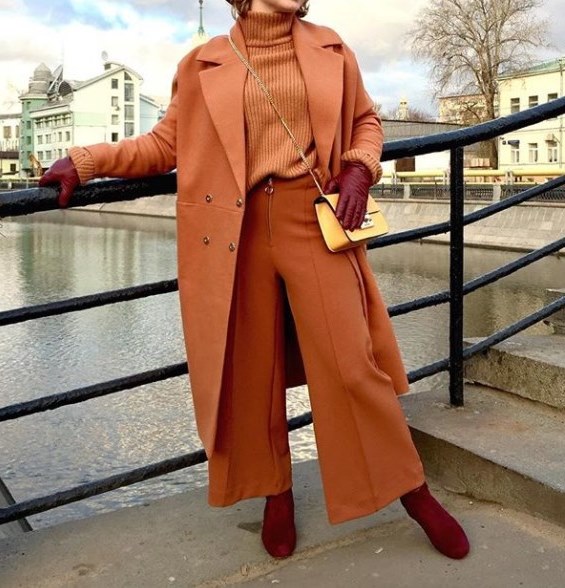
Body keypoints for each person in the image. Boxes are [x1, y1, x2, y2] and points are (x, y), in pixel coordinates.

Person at [40, 0, 470, 561]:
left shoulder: (331, 46)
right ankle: (276, 493)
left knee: (351, 362)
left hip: (312, 217)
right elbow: (165, 145)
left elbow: (367, 120)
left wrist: (359, 168)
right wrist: (85, 161)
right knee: (248, 370)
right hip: (233, 231)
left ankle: (413, 492)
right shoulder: (203, 63)